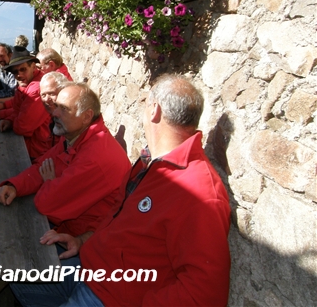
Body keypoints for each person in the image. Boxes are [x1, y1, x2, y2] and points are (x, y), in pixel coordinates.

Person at [12, 74, 232, 307]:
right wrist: (83, 240)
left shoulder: (200, 191)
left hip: (110, 296)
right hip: (89, 269)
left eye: (146, 103)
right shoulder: (151, 163)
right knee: (14, 275)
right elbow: (117, 221)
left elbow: (206, 296)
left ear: (154, 110)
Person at [0, 83, 130, 238]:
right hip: (68, 229)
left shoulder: (94, 156)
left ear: (86, 116)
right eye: (57, 106)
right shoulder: (75, 135)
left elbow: (46, 204)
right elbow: (42, 166)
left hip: (86, 243)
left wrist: (49, 183)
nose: (55, 113)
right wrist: (14, 186)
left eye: (64, 109)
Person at [0, 47, 52, 160]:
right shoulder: (24, 84)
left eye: (23, 69)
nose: (19, 75)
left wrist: (7, 118)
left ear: (32, 66)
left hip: (36, 153)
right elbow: (18, 110)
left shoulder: (37, 89)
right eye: (15, 72)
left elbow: (22, 127)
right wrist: (9, 120)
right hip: (25, 145)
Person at [39, 72, 69, 147]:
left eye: (52, 94)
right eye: (43, 95)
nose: (47, 99)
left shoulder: (70, 122)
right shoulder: (54, 118)